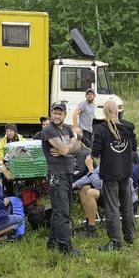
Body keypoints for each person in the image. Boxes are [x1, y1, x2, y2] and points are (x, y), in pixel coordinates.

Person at [92, 100, 137, 251]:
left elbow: (95, 153)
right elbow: (134, 149)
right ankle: (129, 236)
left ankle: (116, 241)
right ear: (118, 110)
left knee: (112, 208)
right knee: (127, 206)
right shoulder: (128, 127)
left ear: (104, 111)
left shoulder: (100, 129)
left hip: (110, 173)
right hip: (125, 171)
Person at [42, 102, 83, 256]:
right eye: (55, 113)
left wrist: (69, 146)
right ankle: (65, 248)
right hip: (56, 175)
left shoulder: (66, 128)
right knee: (62, 213)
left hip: (68, 173)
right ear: (51, 113)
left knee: (61, 211)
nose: (57, 116)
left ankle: (52, 243)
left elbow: (77, 148)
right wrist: (70, 145)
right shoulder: (48, 130)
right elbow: (66, 149)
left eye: (60, 113)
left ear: (64, 114)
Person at [73, 155, 103, 238]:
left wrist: (90, 168)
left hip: (117, 196)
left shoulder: (115, 163)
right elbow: (88, 177)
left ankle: (91, 230)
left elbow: (99, 185)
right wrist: (73, 185)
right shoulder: (106, 161)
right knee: (84, 188)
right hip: (107, 192)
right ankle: (88, 223)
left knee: (91, 192)